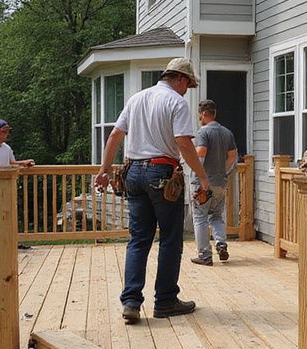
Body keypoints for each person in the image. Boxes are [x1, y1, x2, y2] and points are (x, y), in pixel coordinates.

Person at [95, 58, 211, 324]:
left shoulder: (137, 99)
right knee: (170, 239)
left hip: (133, 172)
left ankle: (131, 303)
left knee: (139, 239)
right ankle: (166, 300)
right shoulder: (175, 102)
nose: (187, 91)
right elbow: (183, 143)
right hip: (162, 172)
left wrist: (104, 170)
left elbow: (114, 136)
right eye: (188, 85)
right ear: (181, 79)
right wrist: (201, 177)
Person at [189, 99, 238, 266]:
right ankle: (221, 243)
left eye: (199, 115)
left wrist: (199, 175)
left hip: (203, 183)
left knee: (200, 217)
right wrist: (223, 172)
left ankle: (204, 255)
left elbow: (201, 153)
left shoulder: (203, 132)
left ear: (203, 114)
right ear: (215, 113)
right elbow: (232, 156)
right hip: (220, 182)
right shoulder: (227, 132)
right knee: (216, 216)